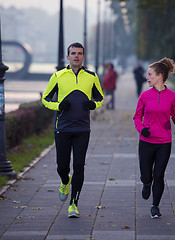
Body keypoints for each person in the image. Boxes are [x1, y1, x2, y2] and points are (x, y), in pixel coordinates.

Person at [41, 42, 104, 218]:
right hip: (62, 128)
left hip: (83, 129)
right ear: (67, 57)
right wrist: (58, 105)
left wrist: (93, 104)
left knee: (78, 165)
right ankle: (64, 180)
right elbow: (45, 99)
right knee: (62, 166)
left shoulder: (91, 77)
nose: (76, 56)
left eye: (80, 53)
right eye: (73, 53)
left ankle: (73, 204)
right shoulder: (58, 76)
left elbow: (99, 98)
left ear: (83, 57)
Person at [133, 57, 175, 218]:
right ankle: (146, 183)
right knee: (146, 175)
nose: (147, 77)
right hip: (146, 141)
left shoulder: (173, 96)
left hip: (164, 142)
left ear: (159, 76)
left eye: (150, 74)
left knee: (159, 174)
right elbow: (136, 117)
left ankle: (155, 206)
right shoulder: (145, 96)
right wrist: (141, 130)